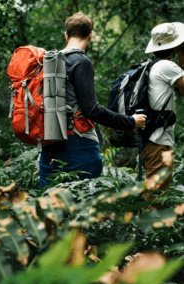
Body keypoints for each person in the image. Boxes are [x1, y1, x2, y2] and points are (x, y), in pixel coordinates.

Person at [39, 13, 146, 189]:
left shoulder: (49, 61)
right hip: (79, 147)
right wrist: (131, 122)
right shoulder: (81, 61)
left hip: (49, 145)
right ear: (90, 35)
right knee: (83, 207)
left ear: (66, 35)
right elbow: (93, 110)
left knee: (51, 208)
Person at [142, 22, 184, 200]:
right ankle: (146, 228)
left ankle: (146, 227)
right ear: (174, 47)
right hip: (158, 142)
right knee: (155, 199)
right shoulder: (168, 67)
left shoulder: (152, 65)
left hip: (152, 141)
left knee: (154, 196)